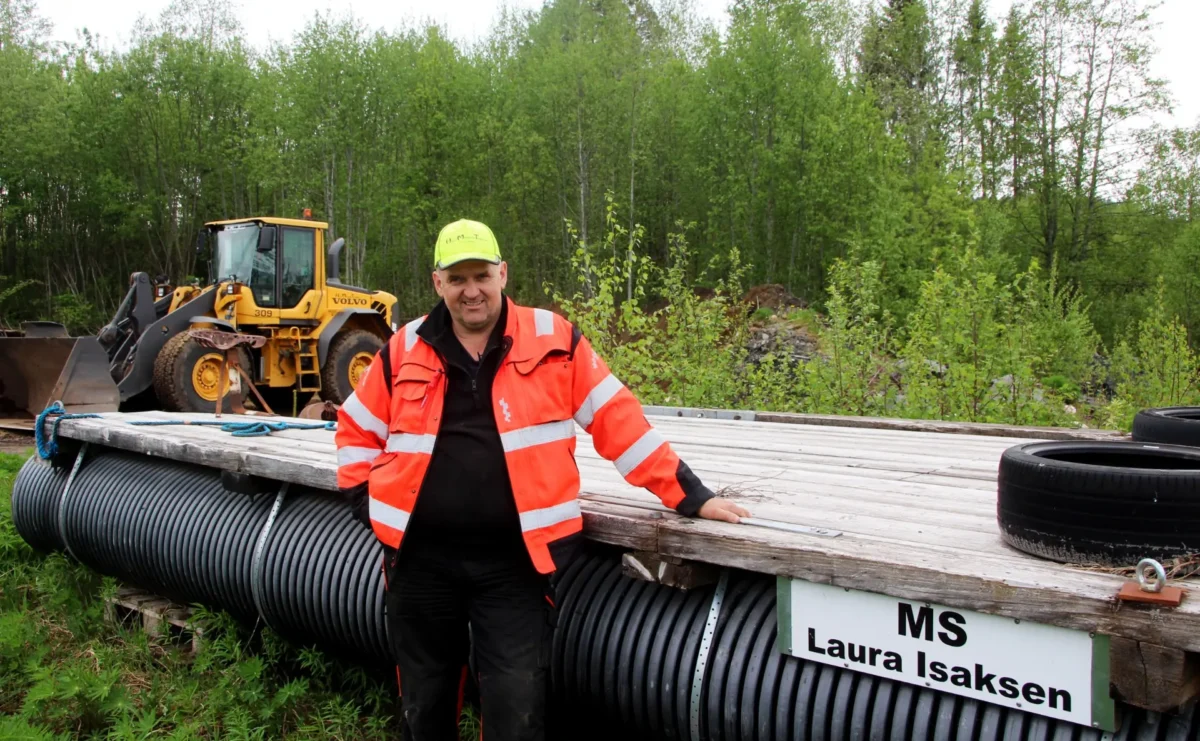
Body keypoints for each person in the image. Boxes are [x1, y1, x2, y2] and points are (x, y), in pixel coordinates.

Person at [334, 218, 750, 741]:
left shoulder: (553, 339)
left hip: (515, 565)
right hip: (420, 563)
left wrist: (689, 494)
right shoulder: (403, 347)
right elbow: (355, 428)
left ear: (502, 273)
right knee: (425, 700)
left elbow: (616, 418)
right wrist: (363, 500)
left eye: (481, 275)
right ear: (437, 283)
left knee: (517, 705)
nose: (471, 290)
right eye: (457, 278)